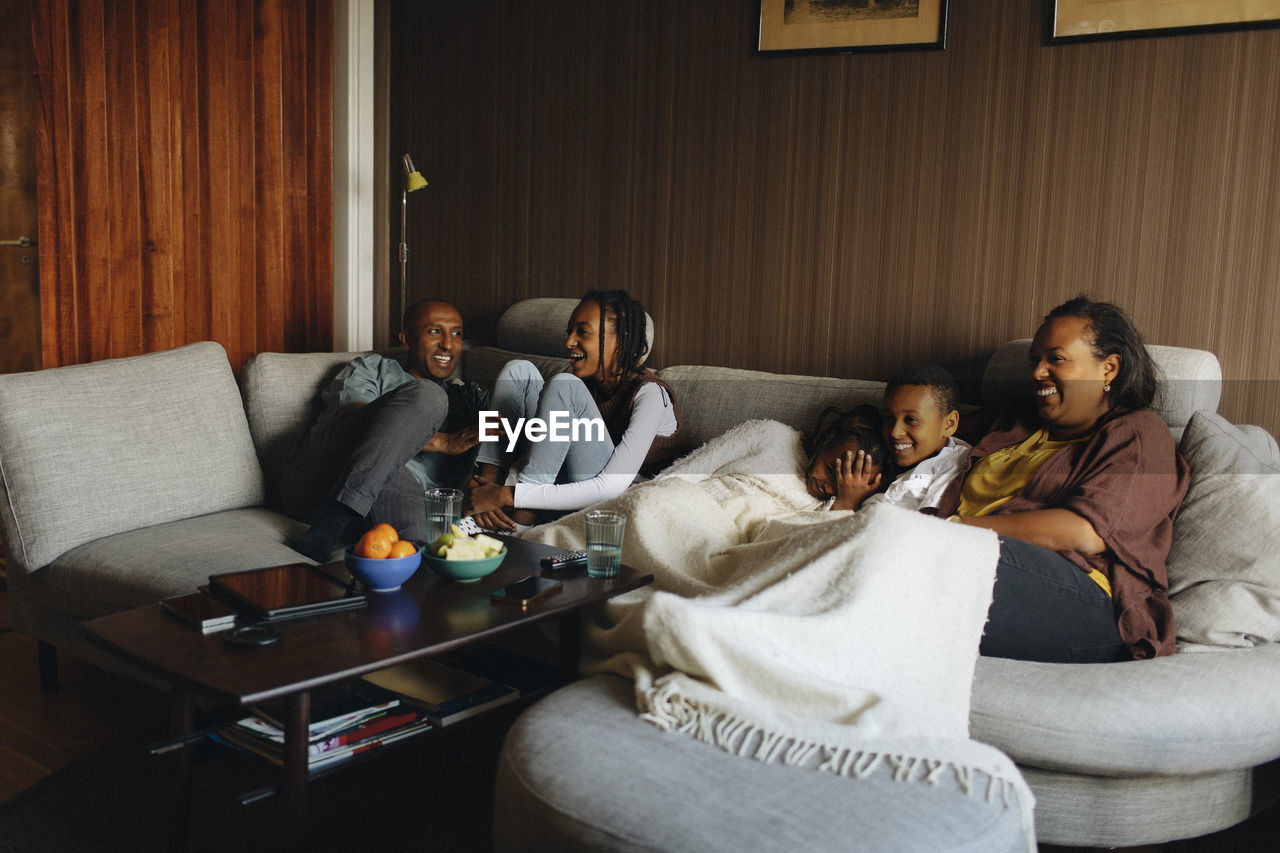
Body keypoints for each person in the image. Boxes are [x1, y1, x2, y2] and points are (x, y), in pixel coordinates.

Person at [936, 296, 1190, 663]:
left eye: (1056, 359)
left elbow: (1086, 532)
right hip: (968, 554)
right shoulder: (1015, 422)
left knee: (906, 556)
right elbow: (929, 435)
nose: (1038, 372)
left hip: (1091, 602)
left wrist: (952, 529)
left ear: (1109, 368)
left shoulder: (1138, 435)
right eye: (1034, 359)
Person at [281, 300, 487, 561]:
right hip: (324, 478)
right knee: (428, 395)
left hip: (396, 494)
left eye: (456, 334)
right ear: (406, 339)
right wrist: (443, 442)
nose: (447, 344)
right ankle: (333, 519)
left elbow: (495, 450)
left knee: (424, 544)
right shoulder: (374, 368)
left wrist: (491, 493)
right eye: (434, 331)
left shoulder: (466, 397)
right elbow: (355, 418)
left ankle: (342, 523)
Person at [465, 289, 685, 531]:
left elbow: (610, 487)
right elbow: (544, 449)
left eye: (582, 332)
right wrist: (492, 491)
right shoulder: (585, 384)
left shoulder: (651, 394)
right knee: (518, 371)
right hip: (558, 488)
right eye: (569, 331)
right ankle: (484, 498)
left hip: (608, 504)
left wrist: (510, 495)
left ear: (621, 340)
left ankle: (521, 517)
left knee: (564, 385)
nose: (569, 342)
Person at [869, 363, 970, 513]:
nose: (895, 432)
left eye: (911, 419)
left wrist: (850, 503)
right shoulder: (878, 453)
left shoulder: (952, 467)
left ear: (949, 424)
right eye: (889, 418)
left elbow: (928, 525)